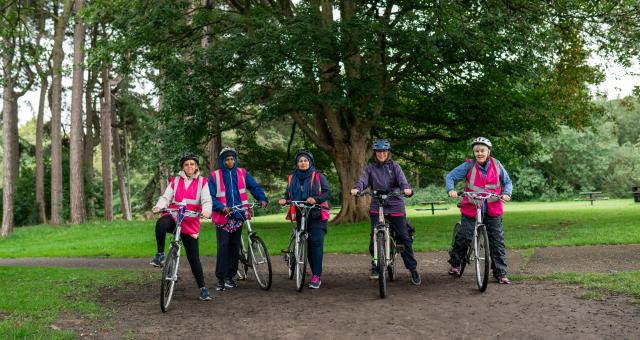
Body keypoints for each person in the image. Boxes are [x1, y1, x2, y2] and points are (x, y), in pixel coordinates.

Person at [351, 139, 421, 286]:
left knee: (404, 237)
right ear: (375, 153)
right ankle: (376, 265)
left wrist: (407, 189)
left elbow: (403, 182)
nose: (381, 154)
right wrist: (357, 188)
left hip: (395, 203)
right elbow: (363, 181)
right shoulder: (370, 168)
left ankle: (413, 269)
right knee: (374, 236)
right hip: (377, 204)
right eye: (378, 152)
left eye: (384, 151)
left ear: (387, 152)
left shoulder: (395, 166)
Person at [446, 137, 513, 284]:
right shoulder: (468, 165)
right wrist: (451, 189)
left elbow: (507, 182)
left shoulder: (497, 165)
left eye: (482, 150)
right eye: (476, 151)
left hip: (492, 208)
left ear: (488, 151)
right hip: (471, 207)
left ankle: (500, 273)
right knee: (464, 236)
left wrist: (507, 193)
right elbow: (450, 176)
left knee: (497, 241)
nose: (479, 153)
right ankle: (456, 264)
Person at [151, 153, 213, 301]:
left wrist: (206, 211)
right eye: (186, 164)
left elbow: (207, 200)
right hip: (174, 216)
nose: (189, 167)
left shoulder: (202, 182)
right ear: (182, 167)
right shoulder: (175, 180)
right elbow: (166, 197)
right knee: (160, 224)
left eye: (192, 164)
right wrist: (159, 206)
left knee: (193, 258)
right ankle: (160, 255)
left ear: (196, 166)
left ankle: (203, 288)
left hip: (190, 221)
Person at [209, 146, 268, 291]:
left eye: (232, 159)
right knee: (223, 247)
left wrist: (262, 198)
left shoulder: (242, 173)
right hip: (223, 217)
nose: (230, 162)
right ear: (222, 161)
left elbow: (254, 187)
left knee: (234, 247)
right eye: (227, 159)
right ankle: (221, 278)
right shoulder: (215, 176)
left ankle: (230, 276)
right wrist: (220, 207)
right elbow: (209, 196)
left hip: (238, 215)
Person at [278, 149, 331, 289]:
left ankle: (316, 276)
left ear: (310, 162)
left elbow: (327, 192)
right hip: (301, 214)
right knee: (306, 244)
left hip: (317, 215)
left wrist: (316, 199)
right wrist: (285, 199)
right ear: (297, 163)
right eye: (300, 161)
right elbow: (288, 193)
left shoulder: (318, 175)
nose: (303, 163)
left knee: (315, 244)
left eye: (305, 160)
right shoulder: (292, 177)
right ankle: (310, 270)